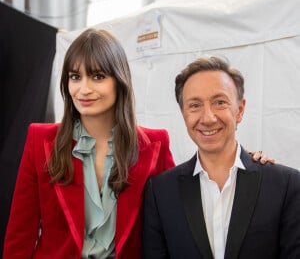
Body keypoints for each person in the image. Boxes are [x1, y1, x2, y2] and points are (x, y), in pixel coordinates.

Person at [3, 30, 271, 259]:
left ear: (119, 81)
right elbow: (20, 235)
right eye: (75, 77)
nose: (83, 89)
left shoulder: (153, 144)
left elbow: (186, 200)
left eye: (97, 76)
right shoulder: (41, 140)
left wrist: (242, 160)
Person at [142, 56, 300, 259]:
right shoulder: (161, 191)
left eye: (220, 102)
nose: (208, 118)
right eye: (195, 105)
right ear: (183, 114)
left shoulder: (286, 185)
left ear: (239, 110)